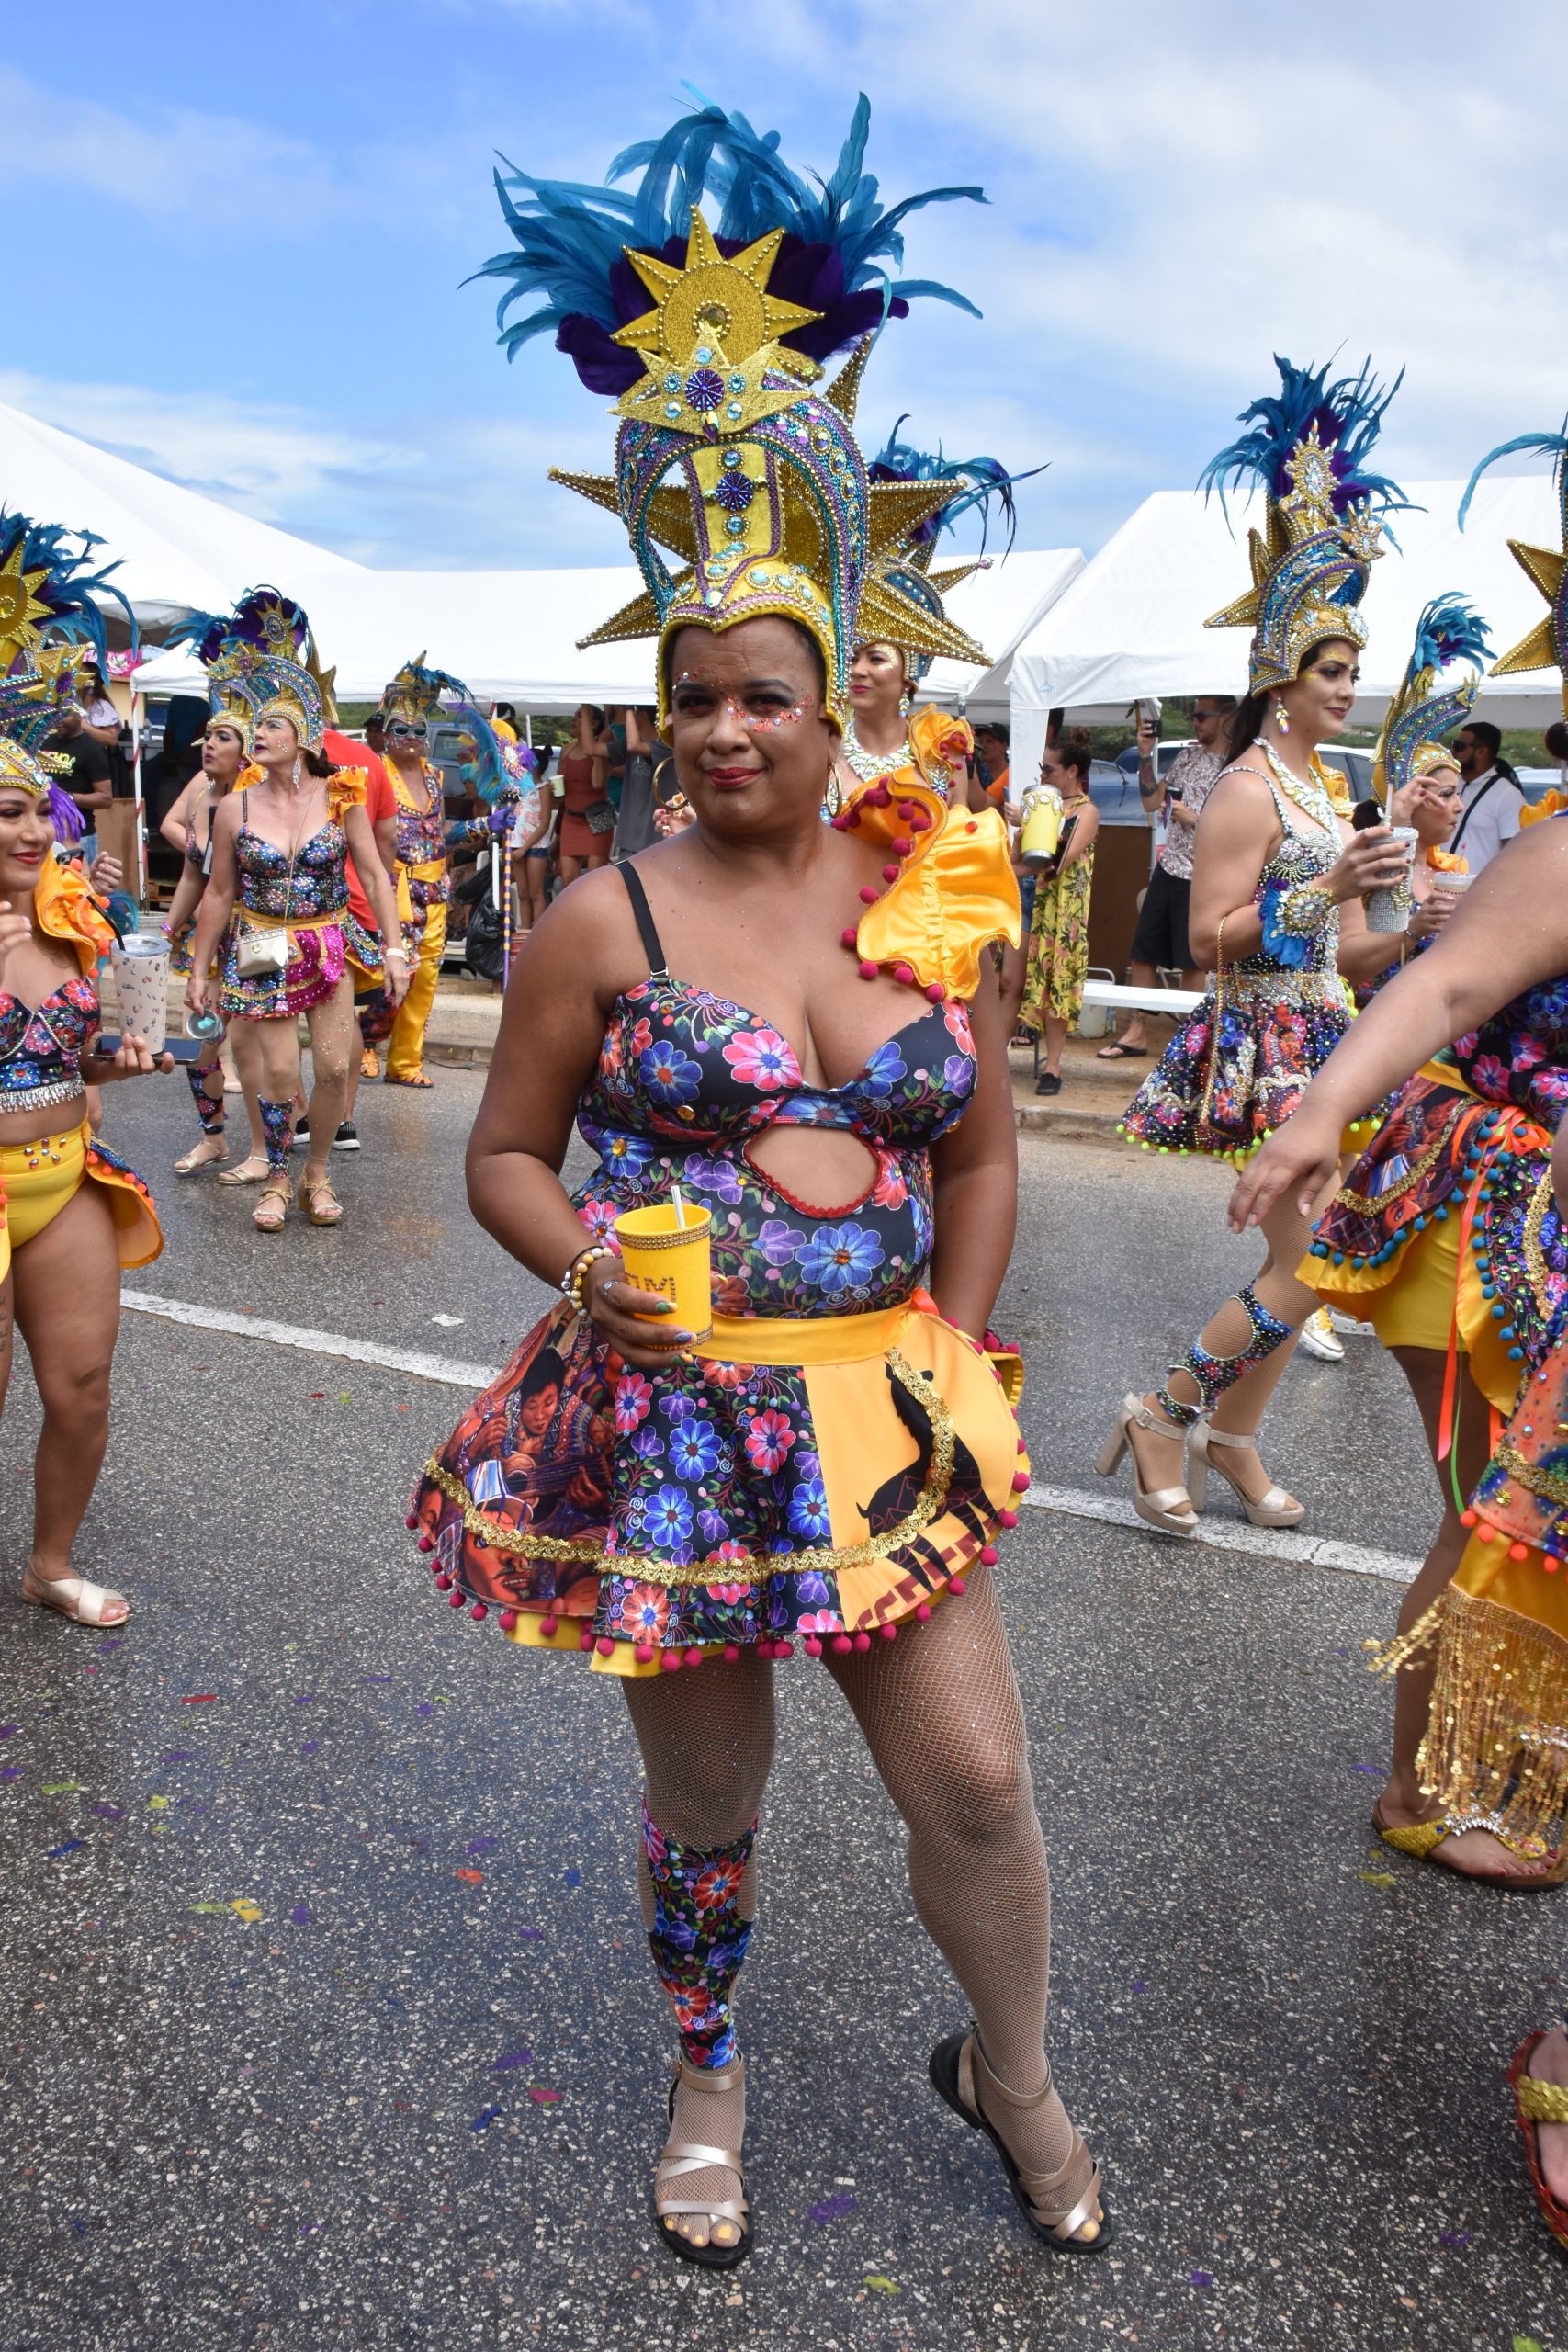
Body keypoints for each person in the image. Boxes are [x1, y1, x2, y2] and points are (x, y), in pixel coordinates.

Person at [412, 97, 1105, 2269]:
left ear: (833, 698)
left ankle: (1006, 2064)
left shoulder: (930, 884)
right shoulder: (596, 916)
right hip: (678, 1420)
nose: (725, 729)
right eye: (693, 694)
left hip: (883, 1409)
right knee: (706, 1799)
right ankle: (706, 2061)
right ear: (662, 701)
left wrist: (960, 1349)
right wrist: (583, 1263)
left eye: (765, 698)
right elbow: (500, 1153)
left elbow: (977, 1138)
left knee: (973, 1780)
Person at [1244, 568, 1567, 1881]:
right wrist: (1314, 1113)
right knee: (1492, 1509)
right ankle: (1434, 1786)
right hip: (1496, 1207)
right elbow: (1435, 990)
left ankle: (1479, 1777)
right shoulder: (1555, 847)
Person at [1101, 359, 1414, 1535]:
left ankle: (1228, 1432)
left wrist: (1407, 922)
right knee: (1312, 1262)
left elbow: (1349, 947)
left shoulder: (1327, 788)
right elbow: (1204, 939)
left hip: (1328, 1030)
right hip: (1264, 1041)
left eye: (1352, 669)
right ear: (1281, 679)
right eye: (1333, 670)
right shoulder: (1242, 788)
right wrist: (1329, 884)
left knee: (1319, 1264)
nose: (1349, 687)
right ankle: (1165, 1412)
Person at [0, 520, 169, 1629]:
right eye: (6, 813)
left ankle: (49, 1561)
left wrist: (122, 1054)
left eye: (28, 808)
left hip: (65, 1171)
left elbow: (81, 1048)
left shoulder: (72, 920)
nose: (27, 828)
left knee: (83, 1386)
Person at [184, 590, 409, 1230]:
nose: (257, 735)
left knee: (336, 1064)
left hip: (326, 941)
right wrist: (200, 971)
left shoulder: (343, 796)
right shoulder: (236, 806)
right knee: (279, 1068)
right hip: (259, 943)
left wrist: (392, 947)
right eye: (255, 727)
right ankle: (279, 1178)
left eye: (270, 726)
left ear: (304, 735)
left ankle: (317, 1172)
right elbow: (220, 893)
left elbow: (373, 872)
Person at [840, 419, 1030, 815]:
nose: (857, 670)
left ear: (911, 671)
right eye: (851, 656)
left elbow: (958, 841)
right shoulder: (817, 744)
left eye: (875, 658)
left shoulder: (942, 748)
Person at [156, 625, 270, 1178]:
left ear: (245, 751)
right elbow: (194, 878)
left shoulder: (260, 804)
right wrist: (166, 931)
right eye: (206, 737)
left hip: (260, 942)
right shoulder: (203, 797)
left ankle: (262, 1149)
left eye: (221, 737)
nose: (208, 745)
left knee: (249, 1047)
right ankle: (215, 1139)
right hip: (210, 939)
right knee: (202, 1046)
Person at [1099, 696, 1235, 1060]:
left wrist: (1197, 821)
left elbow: (1244, 831)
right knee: (1143, 952)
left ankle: (1189, 1042)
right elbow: (1150, 803)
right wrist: (1144, 756)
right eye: (1193, 716)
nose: (1195, 722)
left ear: (1227, 718)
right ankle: (1137, 1032)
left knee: (1192, 960)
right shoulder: (1188, 757)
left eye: (1203, 716)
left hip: (1207, 874)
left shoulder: (1238, 765)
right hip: (1171, 866)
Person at [373, 657, 466, 1089]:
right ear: (386, 735)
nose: (410, 738)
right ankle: (364, 1045)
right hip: (392, 891)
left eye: (418, 731)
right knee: (389, 977)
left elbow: (441, 829)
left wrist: (485, 826)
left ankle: (405, 1063)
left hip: (433, 891)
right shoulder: (375, 775)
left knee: (425, 979)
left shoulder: (433, 777)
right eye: (400, 730)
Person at [1018, 740, 1099, 1094]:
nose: (1042, 774)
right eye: (1042, 767)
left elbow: (1060, 858)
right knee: (1018, 981)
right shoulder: (1044, 804)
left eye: (1048, 769)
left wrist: (1032, 823)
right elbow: (1018, 860)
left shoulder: (1086, 811)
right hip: (1035, 903)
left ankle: (1053, 1066)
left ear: (1072, 772)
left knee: (1058, 985)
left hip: (1064, 912)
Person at [1446, 718, 1522, 872]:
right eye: (1454, 745)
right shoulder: (1449, 784)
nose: (1453, 752)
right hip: (1438, 886)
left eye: (1459, 746)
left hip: (1475, 891)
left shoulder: (1508, 795)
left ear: (1481, 751)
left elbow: (1515, 853)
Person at [556, 704, 615, 882]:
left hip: (596, 819)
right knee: (568, 879)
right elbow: (562, 785)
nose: (573, 720)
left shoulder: (602, 748)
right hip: (570, 819)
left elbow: (598, 783)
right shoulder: (567, 749)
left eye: (580, 715)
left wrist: (599, 747)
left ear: (594, 723)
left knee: (595, 879)